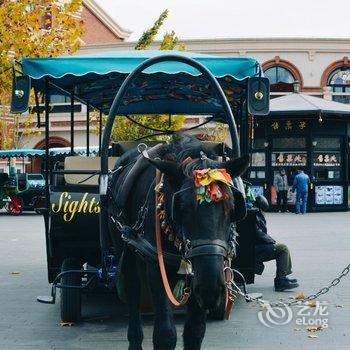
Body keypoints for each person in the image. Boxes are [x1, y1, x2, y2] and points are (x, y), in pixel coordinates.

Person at [253, 195, 299, 292]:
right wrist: (272, 242)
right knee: (283, 249)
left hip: (254, 247)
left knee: (281, 247)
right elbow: (258, 233)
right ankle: (280, 281)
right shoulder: (255, 215)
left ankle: (283, 277)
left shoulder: (254, 213)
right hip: (254, 249)